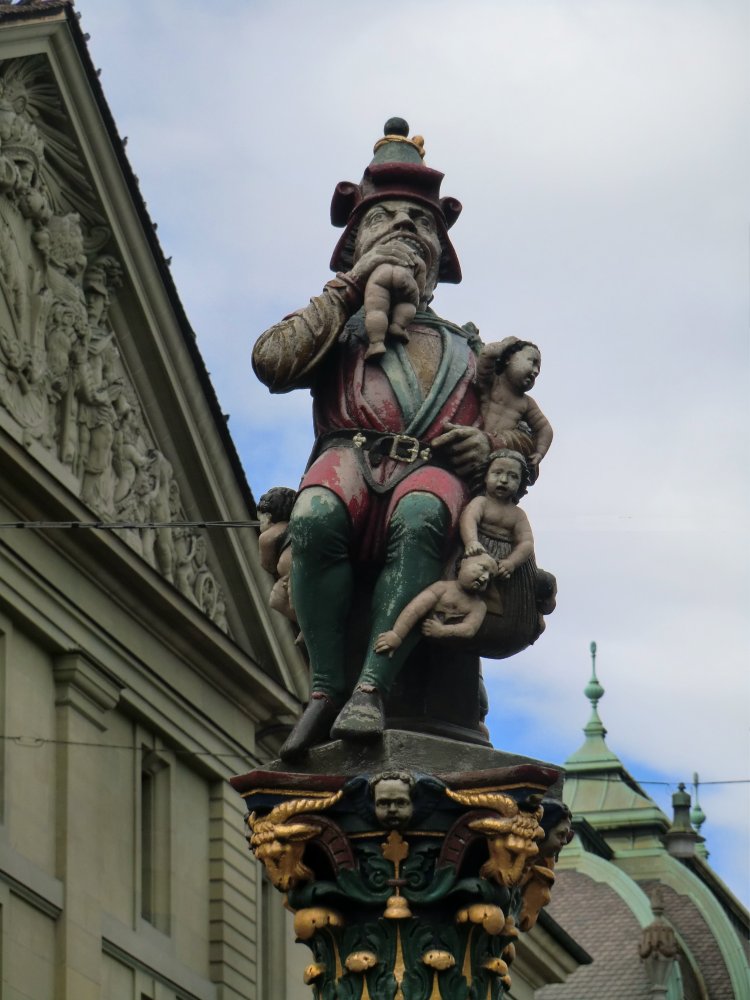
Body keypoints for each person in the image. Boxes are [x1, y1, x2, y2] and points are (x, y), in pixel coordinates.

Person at [253, 119, 491, 758]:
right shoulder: (340, 323)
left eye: (422, 225)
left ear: (440, 257)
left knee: (421, 516)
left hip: (429, 469)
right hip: (347, 453)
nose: (408, 232)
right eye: (386, 218)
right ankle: (325, 688)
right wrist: (350, 287)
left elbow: (510, 435)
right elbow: (272, 363)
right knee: (316, 515)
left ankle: (371, 688)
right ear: (356, 239)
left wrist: (491, 453)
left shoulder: (470, 348)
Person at [373, 552, 498, 656]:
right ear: (464, 563)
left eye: (490, 577)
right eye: (482, 569)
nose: (485, 577)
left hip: (447, 653)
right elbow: (415, 609)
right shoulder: (441, 588)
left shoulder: (479, 606)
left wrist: (442, 631)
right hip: (416, 635)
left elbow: (469, 629)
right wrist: (397, 635)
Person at [477, 337, 552, 481]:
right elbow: (487, 354)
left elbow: (544, 428)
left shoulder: (526, 403)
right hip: (477, 442)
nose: (535, 371)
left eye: (538, 370)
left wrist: (539, 453)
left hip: (500, 454)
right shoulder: (492, 383)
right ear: (508, 359)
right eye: (532, 362)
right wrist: (506, 345)